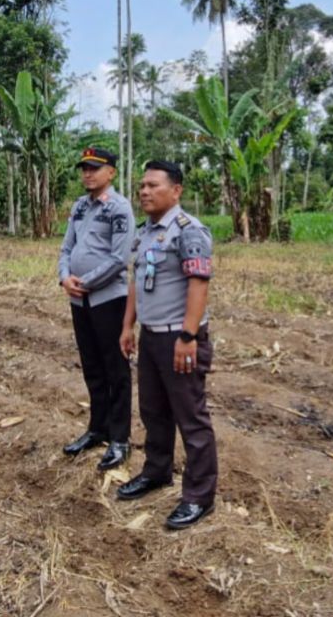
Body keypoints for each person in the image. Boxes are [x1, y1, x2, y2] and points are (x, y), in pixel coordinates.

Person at [117, 160, 217, 530]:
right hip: (152, 335)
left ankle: (199, 496)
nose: (144, 191)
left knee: (191, 418)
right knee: (154, 412)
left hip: (180, 337)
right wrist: (128, 326)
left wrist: (188, 337)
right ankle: (156, 471)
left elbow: (199, 284)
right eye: (141, 185)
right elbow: (135, 282)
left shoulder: (189, 232)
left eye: (153, 185)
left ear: (176, 191)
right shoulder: (145, 234)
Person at [57, 147, 135, 470]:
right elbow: (66, 248)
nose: (87, 173)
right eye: (84, 168)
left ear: (111, 173)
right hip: (80, 300)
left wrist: (84, 280)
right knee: (92, 367)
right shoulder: (79, 207)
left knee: (115, 369)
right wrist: (65, 277)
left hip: (108, 300)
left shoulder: (119, 208)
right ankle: (97, 428)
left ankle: (120, 439)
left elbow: (119, 259)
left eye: (94, 168)